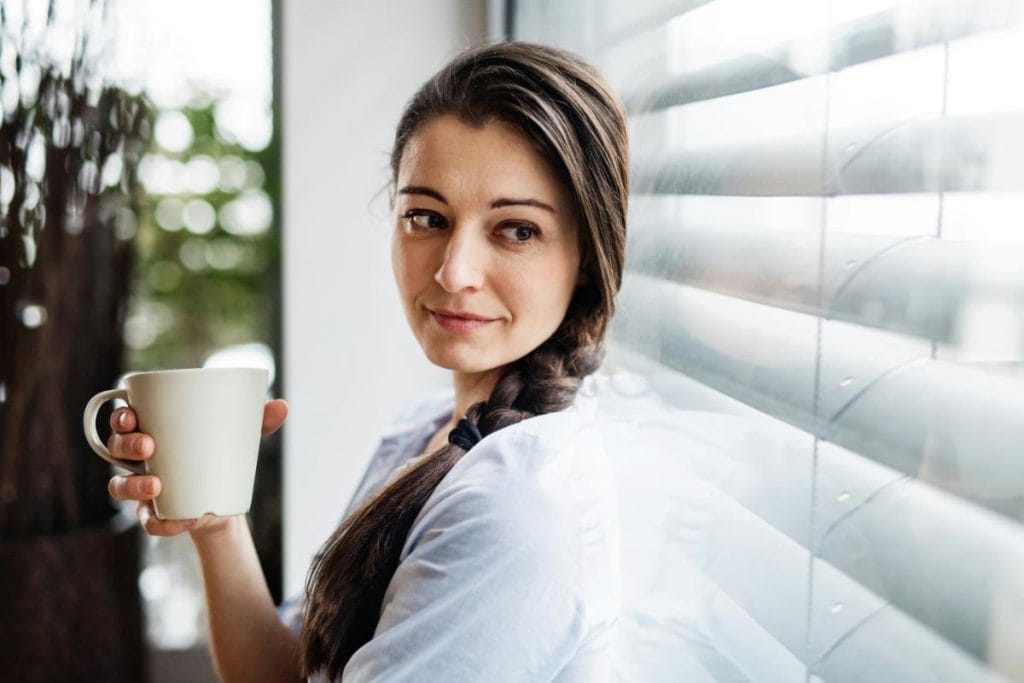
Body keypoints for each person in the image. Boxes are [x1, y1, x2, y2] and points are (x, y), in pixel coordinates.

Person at [105, 41, 629, 682]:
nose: (453, 271)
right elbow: (289, 673)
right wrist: (217, 523)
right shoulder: (429, 433)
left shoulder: (515, 514)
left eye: (516, 229)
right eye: (426, 217)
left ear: (587, 256)